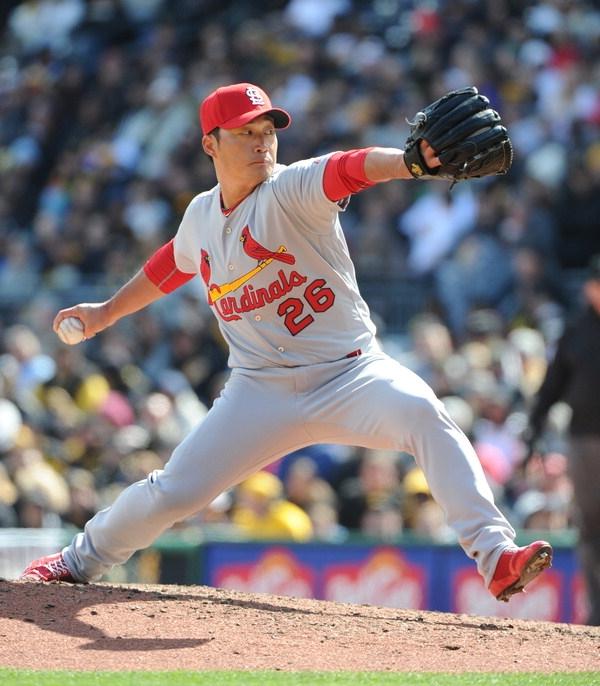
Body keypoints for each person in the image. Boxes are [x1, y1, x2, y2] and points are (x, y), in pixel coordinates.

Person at [20, 82, 551, 602]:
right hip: (259, 389)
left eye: (267, 131)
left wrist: (409, 163)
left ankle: (495, 555)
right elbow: (171, 264)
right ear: (210, 144)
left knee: (424, 413)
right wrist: (106, 311)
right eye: (245, 133)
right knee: (174, 491)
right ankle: (75, 562)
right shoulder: (201, 215)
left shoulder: (290, 188)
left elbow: (348, 168)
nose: (261, 143)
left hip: (351, 374)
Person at [526, 255, 600, 623]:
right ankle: (597, 610)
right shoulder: (576, 329)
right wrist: (535, 427)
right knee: (590, 526)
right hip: (584, 440)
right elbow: (553, 384)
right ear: (589, 287)